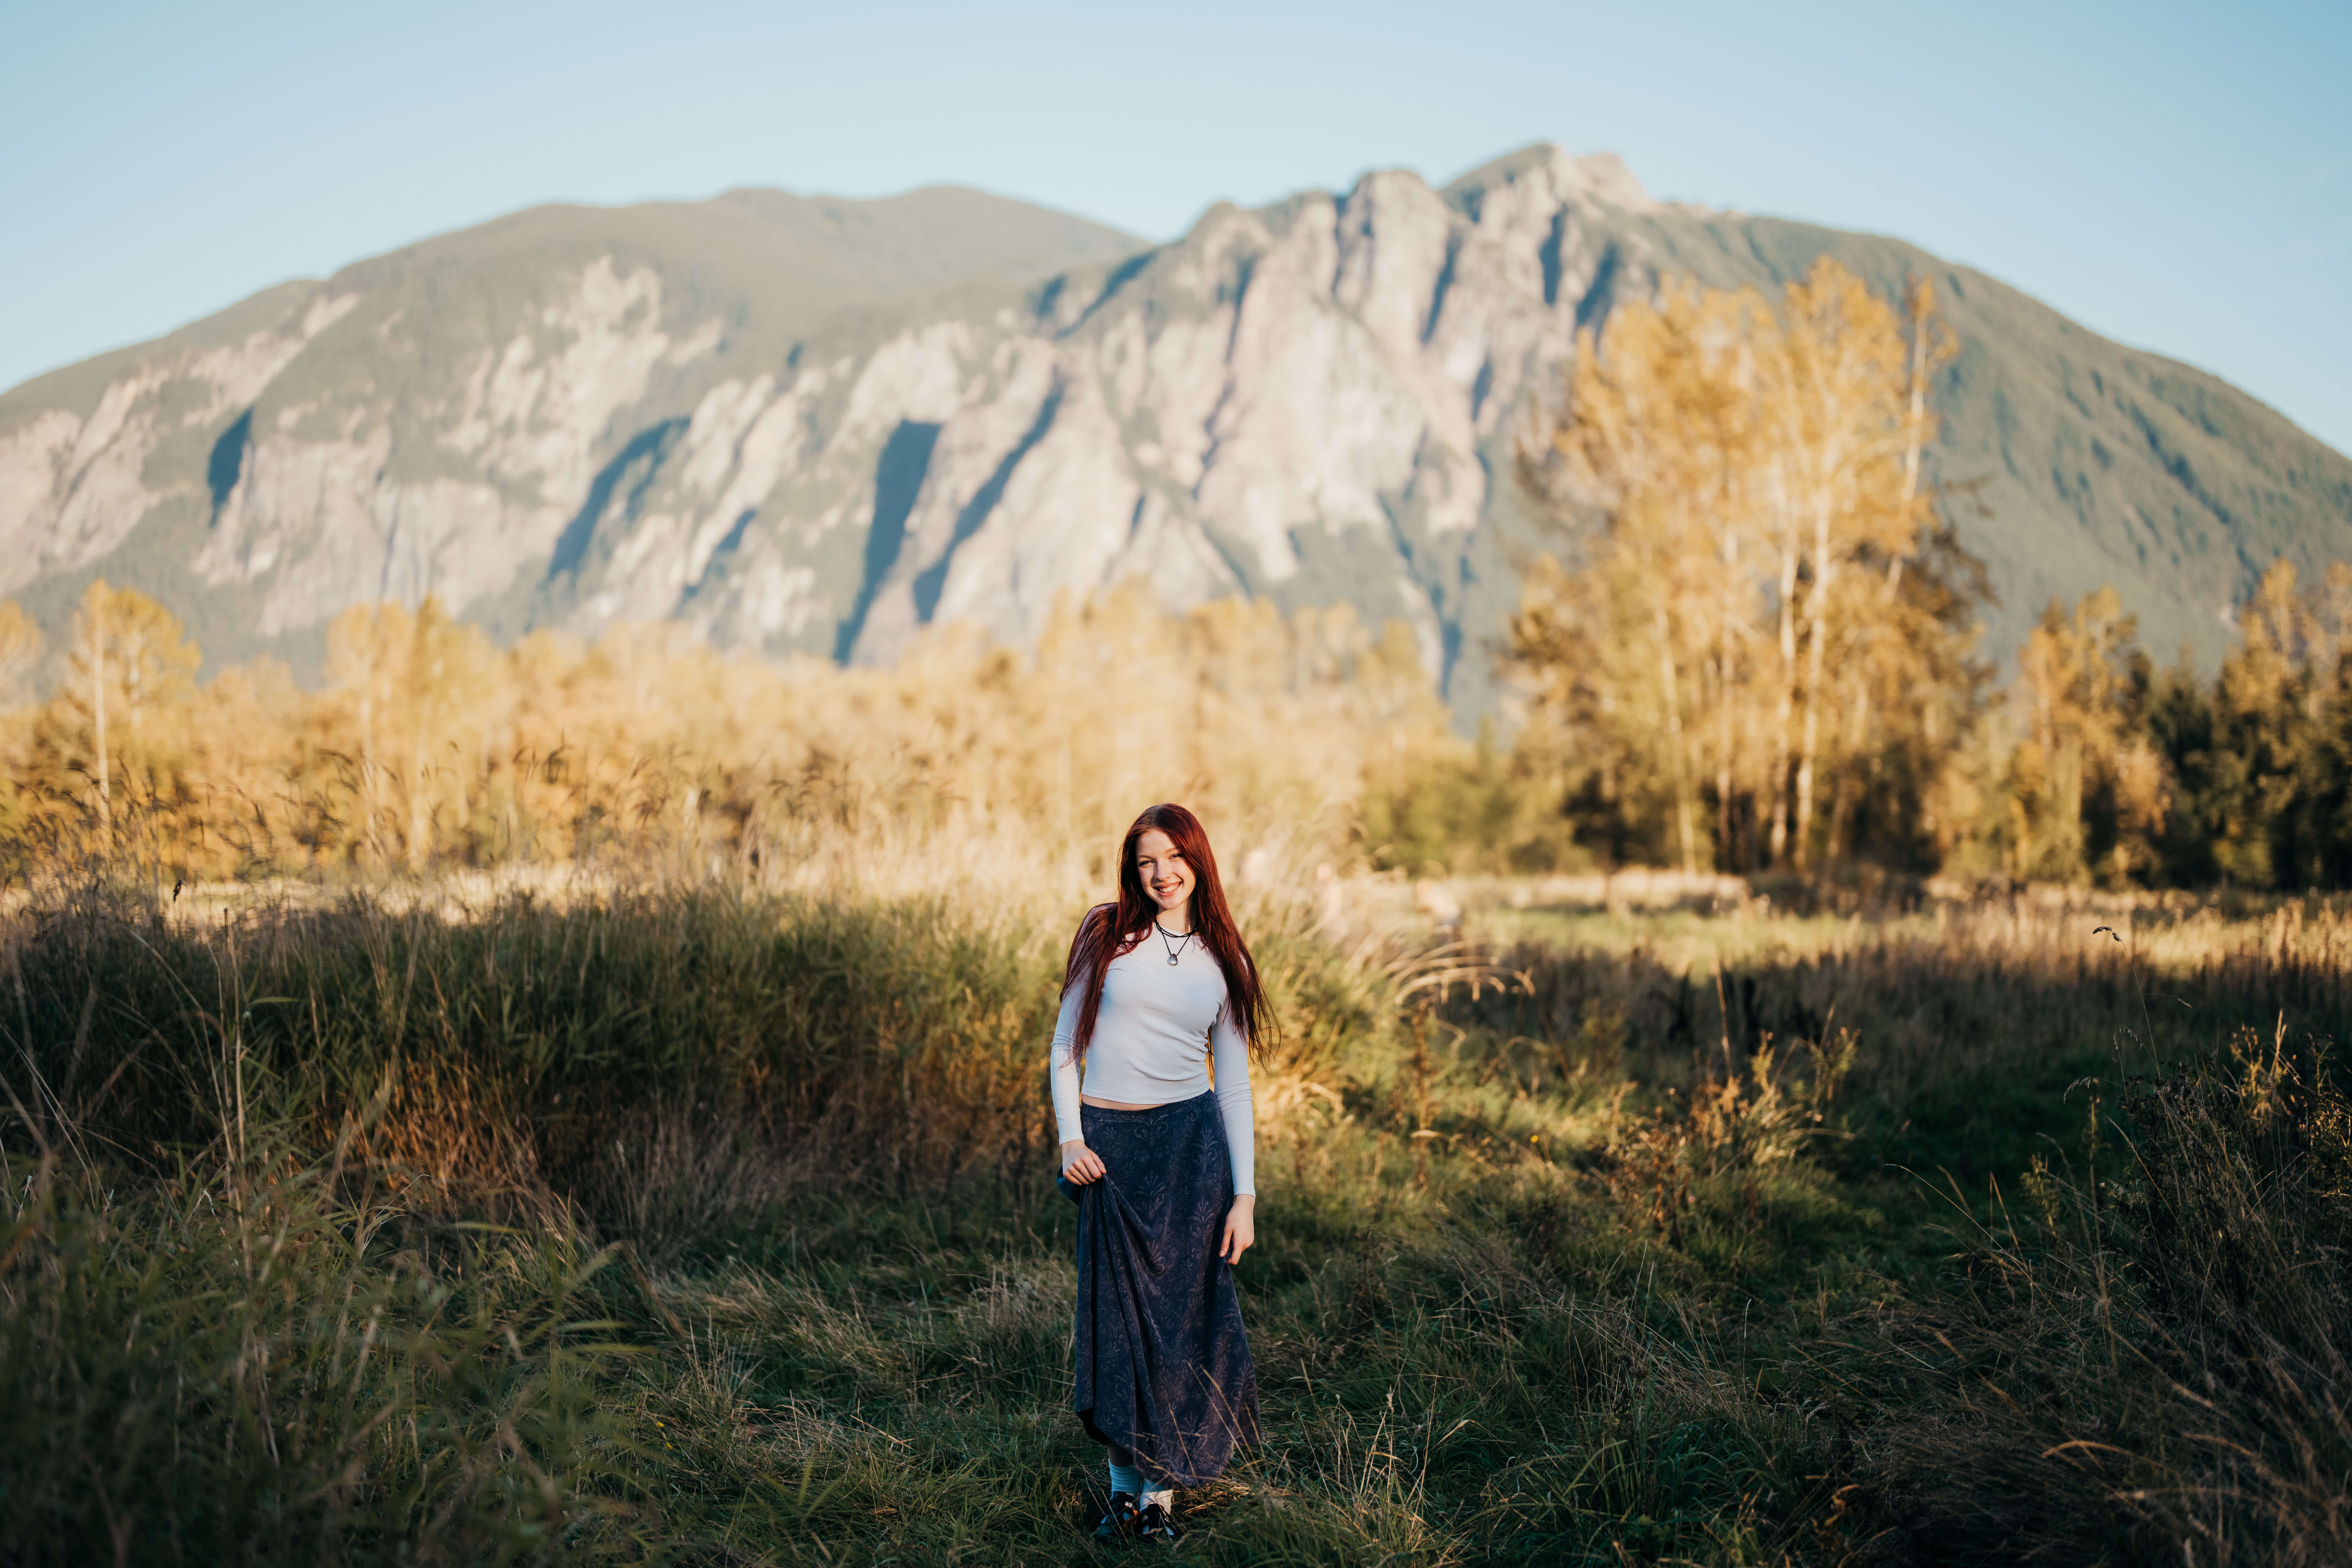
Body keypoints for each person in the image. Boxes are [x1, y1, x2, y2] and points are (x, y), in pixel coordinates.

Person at [1050, 803, 1272, 1543]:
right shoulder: (1104, 933)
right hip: (1110, 1153)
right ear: (1131, 868)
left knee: (1181, 1329)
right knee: (1118, 1327)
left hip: (1191, 1152)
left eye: (1173, 856)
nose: (1161, 872)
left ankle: (1158, 1504)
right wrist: (1069, 1140)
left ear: (1197, 859)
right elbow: (1063, 1050)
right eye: (1146, 860)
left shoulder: (1224, 957)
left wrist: (1243, 1196)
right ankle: (1120, 1491)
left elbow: (1234, 1086)